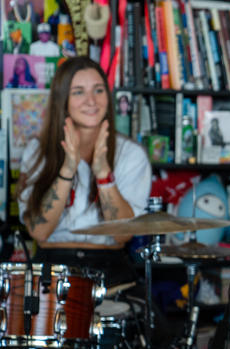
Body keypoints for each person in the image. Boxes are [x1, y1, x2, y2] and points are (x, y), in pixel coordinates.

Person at [17, 57, 152, 288]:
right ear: (63, 101)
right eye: (78, 92)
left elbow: (123, 235)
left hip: (111, 269)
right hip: (51, 268)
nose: (91, 101)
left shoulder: (132, 154)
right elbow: (39, 231)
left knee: (146, 322)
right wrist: (67, 169)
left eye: (98, 90)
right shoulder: (37, 151)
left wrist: (103, 174)